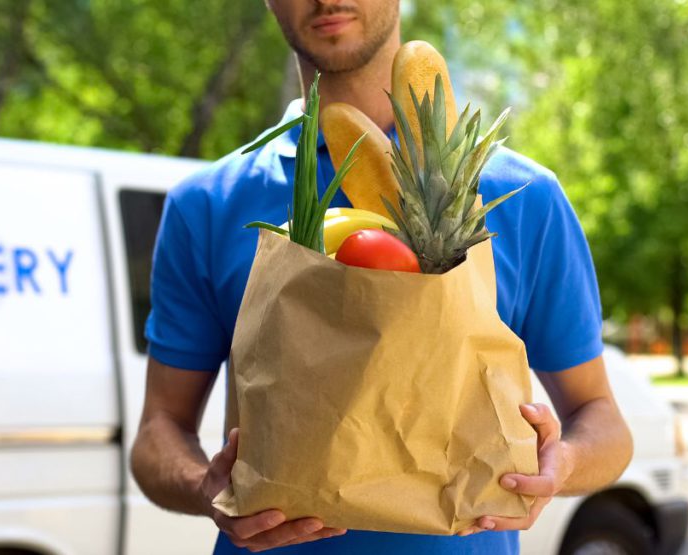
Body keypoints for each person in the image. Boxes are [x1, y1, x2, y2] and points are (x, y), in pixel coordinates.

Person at [129, 1, 634, 553]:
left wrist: (563, 465)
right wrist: (206, 490)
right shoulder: (207, 205)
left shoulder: (525, 198)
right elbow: (158, 433)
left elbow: (602, 421)